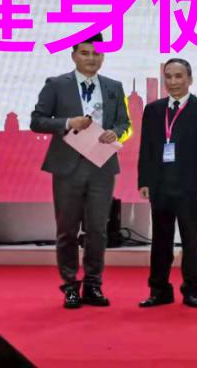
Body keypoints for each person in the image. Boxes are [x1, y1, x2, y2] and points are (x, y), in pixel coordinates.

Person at [31, 33, 130, 309]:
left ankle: (93, 285)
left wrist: (115, 133)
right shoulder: (56, 85)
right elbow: (37, 121)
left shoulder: (113, 86)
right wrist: (67, 123)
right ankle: (70, 286)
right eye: (85, 53)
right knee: (67, 230)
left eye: (96, 54)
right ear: (74, 55)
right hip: (67, 166)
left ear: (103, 56)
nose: (91, 58)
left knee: (98, 229)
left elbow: (123, 123)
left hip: (101, 164)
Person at [137, 59, 197, 308]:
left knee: (191, 241)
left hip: (191, 186)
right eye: (168, 76)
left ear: (189, 79)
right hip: (160, 185)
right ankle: (159, 290)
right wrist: (144, 180)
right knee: (160, 241)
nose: (173, 82)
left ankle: (192, 290)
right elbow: (146, 148)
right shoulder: (153, 109)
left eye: (178, 76)